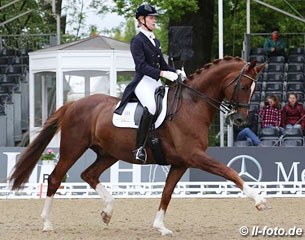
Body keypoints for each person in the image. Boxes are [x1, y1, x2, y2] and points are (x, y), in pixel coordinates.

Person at [114, 4, 186, 162]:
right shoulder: (137, 41)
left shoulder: (155, 41)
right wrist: (162, 73)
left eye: (155, 17)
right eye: (151, 17)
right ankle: (139, 148)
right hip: (142, 82)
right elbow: (141, 66)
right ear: (141, 20)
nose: (154, 20)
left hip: (155, 82)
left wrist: (175, 72)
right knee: (152, 107)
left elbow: (163, 64)